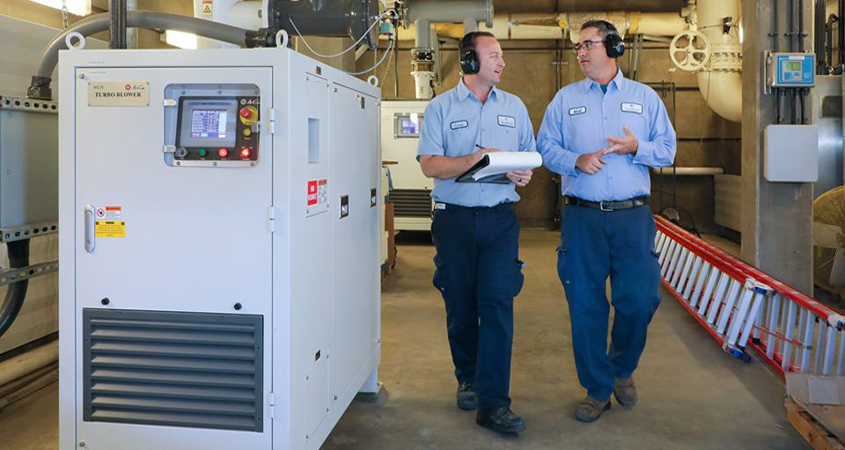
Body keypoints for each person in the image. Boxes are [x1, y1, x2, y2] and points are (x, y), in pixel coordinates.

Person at [536, 20, 677, 423]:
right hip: (582, 219)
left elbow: (667, 150)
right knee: (585, 306)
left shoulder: (643, 97)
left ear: (612, 46)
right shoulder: (564, 100)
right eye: (577, 46)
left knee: (639, 300)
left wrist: (637, 147)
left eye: (588, 44)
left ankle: (621, 368)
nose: (580, 52)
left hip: (633, 217)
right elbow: (545, 147)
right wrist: (575, 160)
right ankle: (598, 389)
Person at [417, 31, 536, 433]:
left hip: (500, 221)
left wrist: (522, 173)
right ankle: (466, 374)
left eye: (502, 57)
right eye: (494, 56)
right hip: (454, 220)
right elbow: (430, 165)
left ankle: (494, 403)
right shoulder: (440, 108)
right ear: (469, 61)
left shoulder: (516, 107)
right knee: (461, 304)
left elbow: (527, 159)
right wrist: (477, 158)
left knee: (498, 305)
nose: (502, 63)